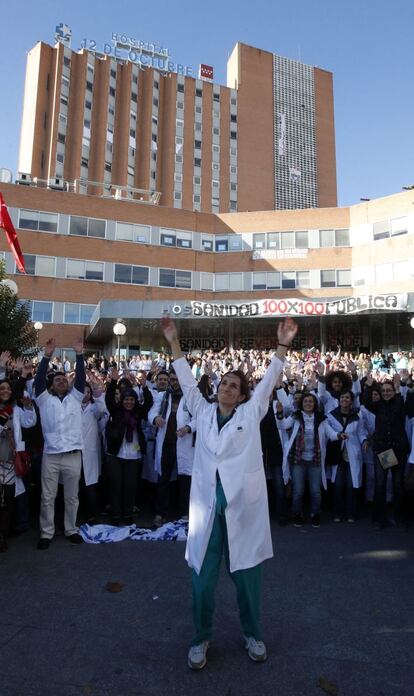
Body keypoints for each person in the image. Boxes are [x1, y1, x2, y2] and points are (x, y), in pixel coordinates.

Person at [160, 315, 298, 670]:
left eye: (234, 386)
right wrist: (174, 342)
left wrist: (282, 345)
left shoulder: (252, 413)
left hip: (242, 508)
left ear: (242, 395)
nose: (227, 388)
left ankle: (252, 633)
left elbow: (268, 383)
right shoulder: (203, 412)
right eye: (224, 383)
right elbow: (187, 382)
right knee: (202, 583)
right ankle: (200, 638)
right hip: (207, 510)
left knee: (247, 579)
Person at [34, 337, 86, 549]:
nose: (61, 381)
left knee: (72, 497)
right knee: (48, 496)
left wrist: (80, 355)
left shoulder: (77, 397)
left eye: (64, 379)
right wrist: (46, 356)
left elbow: (81, 378)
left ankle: (71, 529)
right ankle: (46, 533)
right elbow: (38, 381)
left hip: (73, 455)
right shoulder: (43, 399)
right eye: (57, 380)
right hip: (52, 456)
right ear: (51, 385)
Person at [276, 392, 333, 528]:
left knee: (315, 490)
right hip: (298, 460)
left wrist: (340, 435)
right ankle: (297, 514)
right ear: (301, 404)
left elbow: (331, 433)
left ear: (315, 404)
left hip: (315, 459)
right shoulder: (295, 417)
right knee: (298, 490)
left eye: (310, 401)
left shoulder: (321, 418)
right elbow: (282, 425)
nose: (308, 403)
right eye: (305, 401)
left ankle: (315, 514)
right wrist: (279, 413)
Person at [105, 368, 153, 525]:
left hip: (133, 455)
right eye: (126, 399)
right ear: (122, 400)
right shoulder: (116, 411)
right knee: (116, 486)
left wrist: (145, 385)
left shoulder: (138, 412)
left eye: (132, 400)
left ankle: (127, 514)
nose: (129, 402)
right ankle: (116, 515)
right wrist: (112, 382)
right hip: (116, 454)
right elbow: (109, 400)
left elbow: (149, 402)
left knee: (130, 487)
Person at [0, 378, 37, 551]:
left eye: (8, 388)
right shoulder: (6, 409)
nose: (5, 391)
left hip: (10, 461)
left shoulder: (15, 409)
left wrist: (28, 407)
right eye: (2, 388)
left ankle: (2, 535)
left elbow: (29, 422)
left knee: (8, 499)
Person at [326, 390, 368, 523]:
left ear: (351, 400)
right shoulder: (331, 415)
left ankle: (351, 513)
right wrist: (337, 435)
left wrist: (365, 441)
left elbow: (361, 432)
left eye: (347, 397)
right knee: (338, 485)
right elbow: (328, 432)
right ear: (339, 400)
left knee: (351, 485)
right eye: (342, 397)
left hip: (352, 454)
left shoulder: (357, 416)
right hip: (337, 454)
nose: (344, 399)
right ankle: (337, 512)